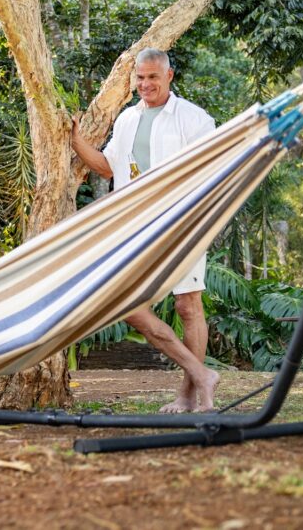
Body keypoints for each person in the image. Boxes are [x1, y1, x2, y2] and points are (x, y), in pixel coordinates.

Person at [71, 47, 219, 412]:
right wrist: (75, 141)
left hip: (183, 223)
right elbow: (107, 166)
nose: (145, 84)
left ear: (169, 76)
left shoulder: (194, 118)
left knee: (188, 305)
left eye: (153, 76)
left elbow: (213, 166)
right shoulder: (127, 119)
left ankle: (189, 394)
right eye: (140, 77)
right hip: (136, 228)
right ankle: (202, 374)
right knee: (127, 303)